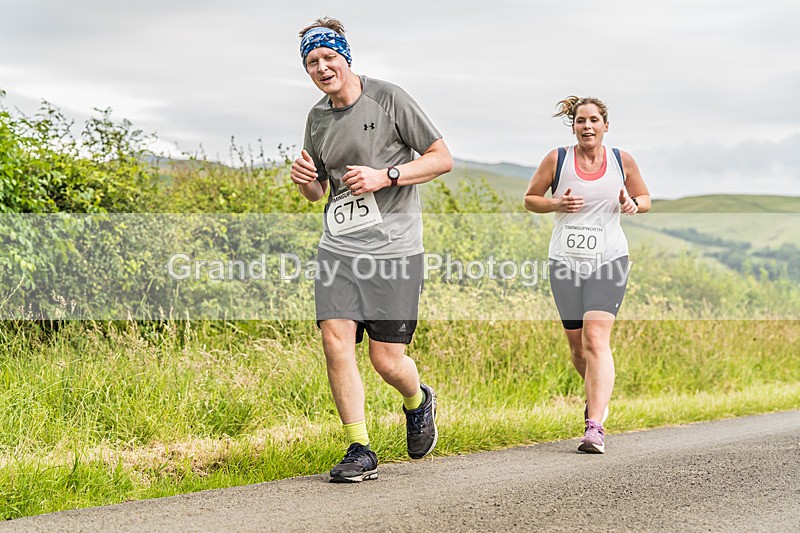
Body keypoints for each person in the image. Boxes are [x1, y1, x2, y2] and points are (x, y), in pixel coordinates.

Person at [290, 17, 452, 481]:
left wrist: (387, 176)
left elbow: (442, 159)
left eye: (328, 57)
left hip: (395, 249)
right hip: (339, 247)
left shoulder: (389, 99)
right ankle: (359, 447)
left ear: (345, 57)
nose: (322, 68)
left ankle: (418, 400)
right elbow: (319, 191)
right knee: (334, 341)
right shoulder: (316, 118)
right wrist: (307, 183)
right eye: (312, 62)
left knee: (386, 360)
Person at [524, 96, 650, 454]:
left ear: (606, 125)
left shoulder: (621, 161)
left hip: (609, 258)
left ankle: (595, 426)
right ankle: (599, 393)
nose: (587, 126)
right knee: (578, 349)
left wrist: (632, 205)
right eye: (581, 121)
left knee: (597, 338)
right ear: (574, 125)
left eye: (594, 120)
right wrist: (555, 204)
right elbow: (530, 199)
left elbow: (644, 197)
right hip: (565, 260)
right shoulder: (557, 159)